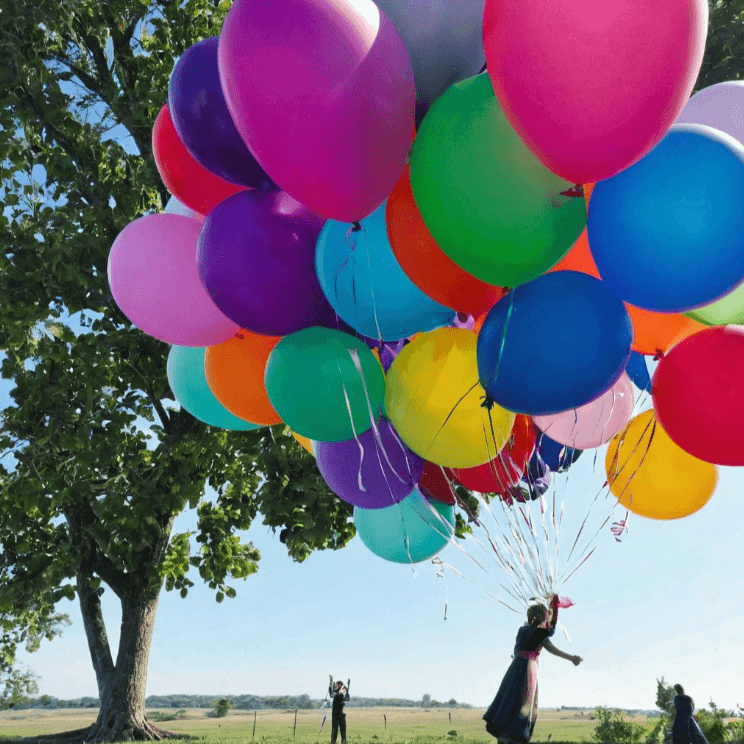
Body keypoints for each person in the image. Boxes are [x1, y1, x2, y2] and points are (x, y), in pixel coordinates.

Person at [483, 595, 582, 744]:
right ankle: (515, 737)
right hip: (528, 668)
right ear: (542, 617)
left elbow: (522, 647)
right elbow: (551, 643)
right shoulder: (540, 633)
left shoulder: (522, 630)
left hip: (515, 667)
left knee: (509, 701)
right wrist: (571, 658)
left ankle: (503, 738)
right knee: (523, 704)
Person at [329, 675, 351, 744]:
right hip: (335, 714)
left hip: (341, 713)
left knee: (343, 729)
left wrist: (347, 690)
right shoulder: (335, 694)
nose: (336, 686)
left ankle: (344, 741)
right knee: (334, 729)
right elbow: (331, 693)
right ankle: (333, 741)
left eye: (338, 685)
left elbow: (347, 698)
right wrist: (331, 681)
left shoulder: (342, 694)